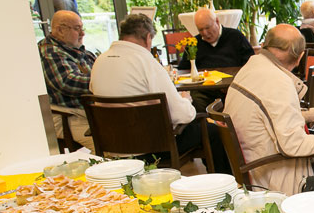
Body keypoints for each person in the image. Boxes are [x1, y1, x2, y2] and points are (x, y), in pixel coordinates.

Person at [90, 14, 230, 174]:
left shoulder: (99, 62)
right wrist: (186, 100)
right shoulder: (146, 62)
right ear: (148, 37)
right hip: (151, 149)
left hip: (112, 147)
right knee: (212, 130)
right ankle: (226, 184)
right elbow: (183, 115)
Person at [224, 24, 314, 195]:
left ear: (265, 45)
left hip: (257, 163)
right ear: (300, 57)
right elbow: (292, 145)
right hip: (275, 175)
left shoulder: (251, 68)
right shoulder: (278, 81)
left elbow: (271, 116)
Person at [38, 10, 96, 151]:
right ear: (60, 30)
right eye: (77, 29)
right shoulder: (51, 52)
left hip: (88, 113)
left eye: (82, 28)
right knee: (110, 144)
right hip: (70, 115)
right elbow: (68, 82)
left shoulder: (75, 49)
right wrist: (103, 79)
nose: (82, 33)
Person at [177, 7, 255, 112]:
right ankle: (208, 127)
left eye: (208, 27)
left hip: (233, 88)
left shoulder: (235, 37)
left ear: (217, 22)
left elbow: (250, 64)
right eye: (200, 30)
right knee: (195, 103)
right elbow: (183, 70)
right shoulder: (194, 43)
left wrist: (234, 83)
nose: (204, 33)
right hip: (204, 91)